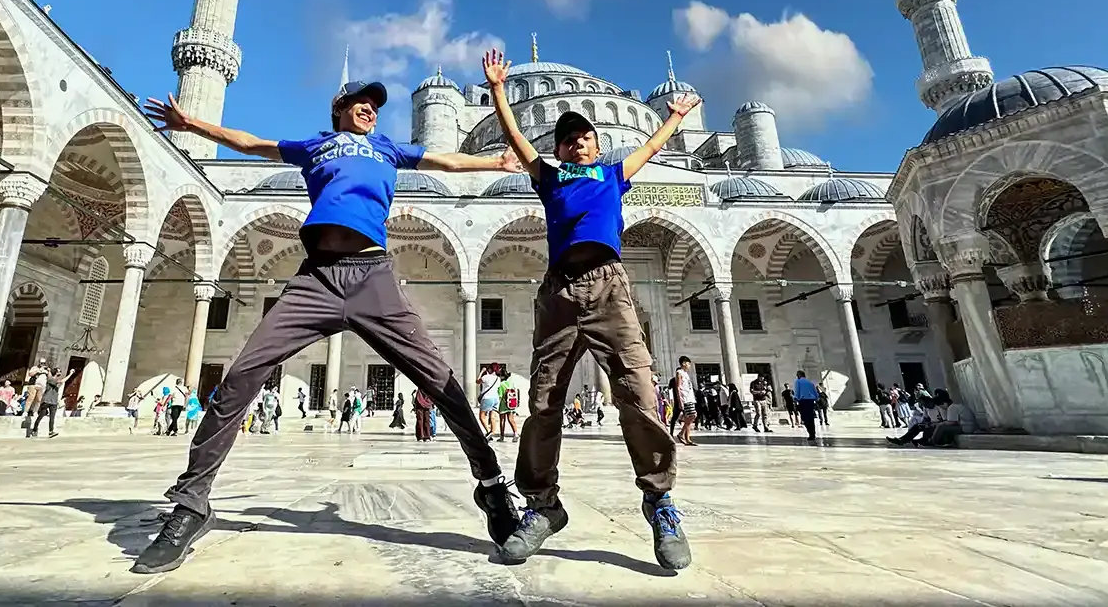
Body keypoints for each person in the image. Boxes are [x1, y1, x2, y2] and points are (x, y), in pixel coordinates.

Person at [130, 84, 521, 574]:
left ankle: (492, 489)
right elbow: (251, 144)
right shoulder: (316, 145)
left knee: (442, 382)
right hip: (316, 277)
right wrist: (193, 126)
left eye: (376, 105)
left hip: (373, 277)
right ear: (338, 109)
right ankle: (191, 505)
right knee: (240, 379)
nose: (370, 109)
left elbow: (446, 162)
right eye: (360, 101)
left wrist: (495, 165)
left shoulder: (387, 148)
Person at [481, 48, 692, 570]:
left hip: (608, 287)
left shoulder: (613, 174)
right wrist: (499, 92)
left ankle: (660, 500)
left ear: (597, 144)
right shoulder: (549, 177)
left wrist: (675, 118)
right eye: (568, 139)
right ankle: (543, 506)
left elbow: (650, 148)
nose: (577, 143)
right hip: (558, 290)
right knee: (543, 401)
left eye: (585, 137)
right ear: (558, 148)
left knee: (639, 392)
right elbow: (515, 140)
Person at [673, 357, 697, 447]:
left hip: (690, 398)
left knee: (689, 418)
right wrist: (680, 400)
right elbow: (678, 387)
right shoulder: (679, 373)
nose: (689, 365)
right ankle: (681, 434)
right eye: (688, 363)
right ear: (683, 363)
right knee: (692, 415)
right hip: (685, 399)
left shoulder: (686, 374)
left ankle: (687, 439)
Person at [793, 370, 820, 442]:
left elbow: (797, 391)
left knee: (804, 418)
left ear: (799, 375)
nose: (797, 376)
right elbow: (815, 392)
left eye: (797, 375)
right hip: (810, 401)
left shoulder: (798, 382)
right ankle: (813, 433)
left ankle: (810, 433)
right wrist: (816, 399)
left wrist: (796, 399)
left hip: (803, 401)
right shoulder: (810, 382)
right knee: (811, 418)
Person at [477, 364, 501, 438]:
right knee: (493, 416)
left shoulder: (486, 377)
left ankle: (488, 431)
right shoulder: (498, 378)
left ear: (490, 369)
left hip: (487, 398)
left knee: (482, 416)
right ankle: (492, 433)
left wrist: (481, 372)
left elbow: (477, 381)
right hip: (496, 398)